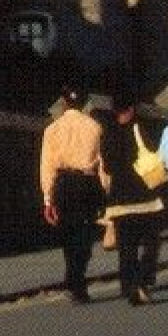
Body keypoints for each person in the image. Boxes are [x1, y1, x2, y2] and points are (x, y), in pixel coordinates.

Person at [98, 90, 166, 306]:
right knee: (151, 243)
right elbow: (155, 153)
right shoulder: (141, 128)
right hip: (144, 196)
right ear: (131, 109)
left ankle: (129, 287)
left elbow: (107, 165)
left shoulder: (107, 134)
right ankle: (143, 280)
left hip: (120, 200)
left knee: (126, 248)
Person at [38, 82, 104, 304]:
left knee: (68, 233)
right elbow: (102, 164)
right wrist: (105, 190)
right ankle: (77, 277)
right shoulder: (95, 127)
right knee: (86, 233)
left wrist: (48, 199)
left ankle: (74, 280)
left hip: (64, 183)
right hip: (87, 182)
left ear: (65, 102)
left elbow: (47, 166)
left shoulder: (52, 130)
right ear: (84, 102)